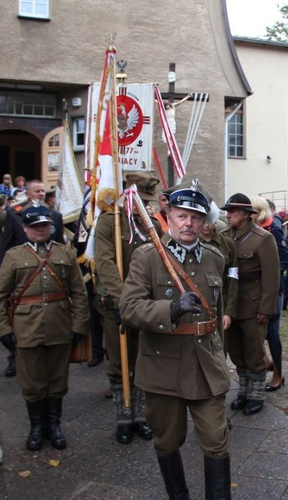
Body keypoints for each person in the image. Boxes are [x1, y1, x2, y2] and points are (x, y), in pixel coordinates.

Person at [120, 180, 231, 499]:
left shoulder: (214, 258)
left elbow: (216, 313)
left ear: (204, 222)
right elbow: (128, 308)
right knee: (167, 440)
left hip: (206, 365)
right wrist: (169, 308)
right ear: (168, 215)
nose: (188, 223)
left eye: (196, 217)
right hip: (163, 366)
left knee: (216, 439)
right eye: (182, 215)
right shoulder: (147, 257)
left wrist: (221, 357)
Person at [0, 203, 89, 451]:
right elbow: (0, 297)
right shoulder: (15, 256)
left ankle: (54, 426)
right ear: (25, 229)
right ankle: (36, 427)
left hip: (60, 325)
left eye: (44, 225)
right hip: (26, 329)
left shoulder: (65, 254)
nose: (40, 230)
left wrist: (79, 324)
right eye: (35, 226)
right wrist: (4, 330)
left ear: (51, 226)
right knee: (32, 382)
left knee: (58, 380)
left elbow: (78, 293)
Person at [92, 173, 161, 444]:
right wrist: (123, 302)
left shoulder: (153, 225)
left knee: (144, 360)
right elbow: (106, 263)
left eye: (146, 200)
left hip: (147, 306)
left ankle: (141, 416)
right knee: (120, 362)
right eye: (139, 199)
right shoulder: (110, 222)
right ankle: (124, 416)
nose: (142, 205)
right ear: (127, 195)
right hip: (116, 304)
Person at [0, 179, 64, 377]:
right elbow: (6, 244)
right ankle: (14, 358)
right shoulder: (14, 214)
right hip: (22, 272)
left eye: (43, 190)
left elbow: (59, 244)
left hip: (48, 272)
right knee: (18, 318)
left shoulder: (55, 216)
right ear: (28, 193)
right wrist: (3, 271)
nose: (41, 193)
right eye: (37, 191)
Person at [222, 192, 280, 416]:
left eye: (233, 212)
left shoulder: (263, 238)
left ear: (246, 215)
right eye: (227, 211)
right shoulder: (225, 235)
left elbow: (271, 278)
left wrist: (266, 309)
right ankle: (244, 392)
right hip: (231, 305)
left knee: (254, 352)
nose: (228, 215)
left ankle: (256, 395)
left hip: (253, 305)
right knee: (236, 351)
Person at [251, 196, 288, 392]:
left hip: (274, 290)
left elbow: (285, 258)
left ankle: (278, 374)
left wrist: (270, 273)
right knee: (260, 331)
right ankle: (268, 362)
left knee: (272, 333)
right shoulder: (253, 230)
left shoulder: (273, 229)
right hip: (257, 290)